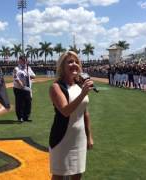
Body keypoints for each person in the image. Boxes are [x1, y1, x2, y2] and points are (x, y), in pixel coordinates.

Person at [49, 51, 94, 180]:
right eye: (69, 62)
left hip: (79, 137)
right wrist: (83, 94)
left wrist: (89, 136)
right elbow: (65, 111)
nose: (74, 64)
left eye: (76, 62)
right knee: (59, 174)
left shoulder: (80, 85)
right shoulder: (56, 87)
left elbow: (85, 112)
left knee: (78, 173)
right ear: (62, 66)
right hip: (62, 137)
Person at [13, 55, 36, 122]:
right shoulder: (16, 69)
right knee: (20, 104)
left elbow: (34, 76)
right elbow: (16, 78)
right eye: (22, 60)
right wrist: (22, 86)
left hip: (27, 88)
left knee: (28, 103)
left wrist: (29, 76)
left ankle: (26, 117)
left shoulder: (28, 68)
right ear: (19, 61)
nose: (23, 61)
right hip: (19, 88)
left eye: (24, 60)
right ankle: (20, 118)